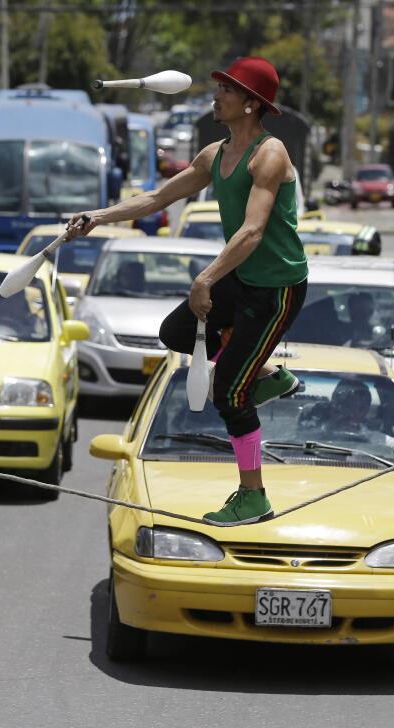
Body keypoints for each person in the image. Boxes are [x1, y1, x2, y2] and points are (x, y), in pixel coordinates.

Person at [66, 56, 308, 526]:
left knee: (230, 396)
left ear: (251, 105)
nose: (215, 96)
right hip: (242, 278)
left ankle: (253, 495)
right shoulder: (214, 155)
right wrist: (99, 216)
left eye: (227, 90)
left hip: (276, 289)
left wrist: (206, 278)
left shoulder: (270, 153)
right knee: (176, 332)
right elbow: (158, 199)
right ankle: (265, 373)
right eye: (218, 87)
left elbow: (254, 231)